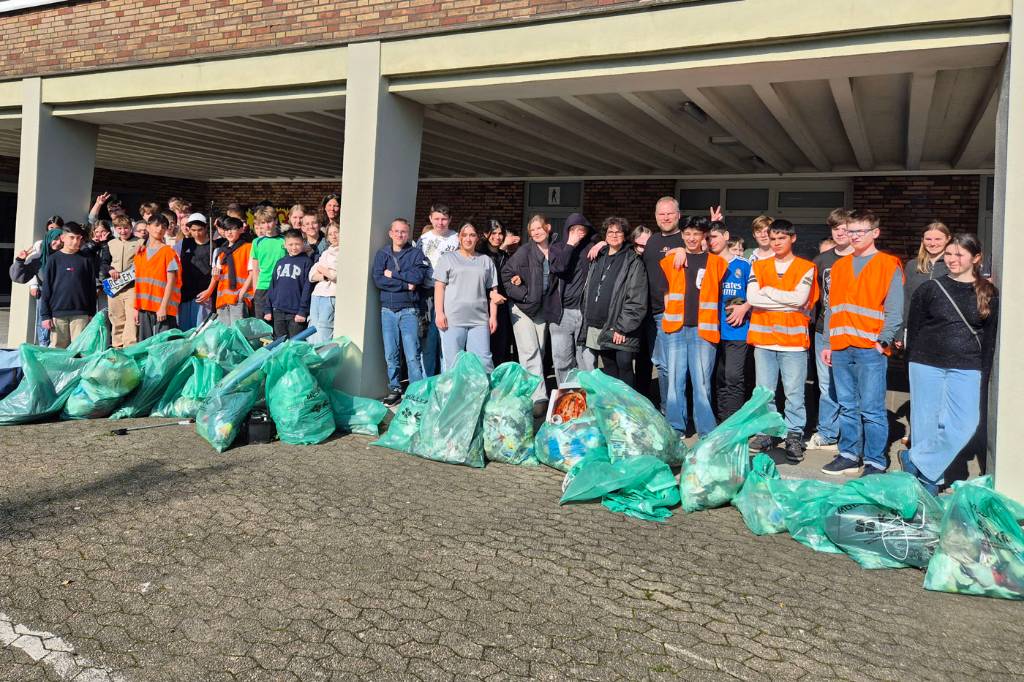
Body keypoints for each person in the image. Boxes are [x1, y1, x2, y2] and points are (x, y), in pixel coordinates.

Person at [902, 233, 998, 494]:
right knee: (925, 422)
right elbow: (915, 327)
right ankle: (929, 480)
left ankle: (914, 459)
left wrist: (985, 373)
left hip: (968, 366)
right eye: (949, 253)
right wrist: (910, 362)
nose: (952, 259)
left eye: (959, 254)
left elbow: (989, 339)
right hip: (926, 363)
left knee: (965, 424)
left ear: (976, 258)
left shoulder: (988, 292)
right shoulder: (929, 289)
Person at [821, 209, 904, 476]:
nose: (853, 236)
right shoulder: (840, 266)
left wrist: (883, 341)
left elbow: (894, 310)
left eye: (859, 231)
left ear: (875, 233)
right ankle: (848, 454)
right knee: (847, 405)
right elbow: (832, 308)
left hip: (871, 348)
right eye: (850, 231)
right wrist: (828, 343)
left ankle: (875, 460)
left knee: (872, 409)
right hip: (841, 346)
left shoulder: (887, 264)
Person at [746, 220, 818, 462]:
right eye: (773, 238)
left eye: (782, 238)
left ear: (792, 239)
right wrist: (780, 299)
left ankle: (794, 435)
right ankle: (767, 432)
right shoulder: (759, 266)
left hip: (793, 342)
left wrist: (767, 292)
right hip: (764, 341)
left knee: (794, 393)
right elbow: (752, 297)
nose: (777, 243)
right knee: (764, 393)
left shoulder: (806, 267)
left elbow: (800, 299)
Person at [657, 209, 727, 437]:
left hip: (703, 330)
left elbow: (727, 249)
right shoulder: (671, 260)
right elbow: (666, 291)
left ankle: (706, 430)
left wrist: (719, 223)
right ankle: (676, 427)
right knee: (675, 383)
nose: (691, 238)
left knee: (702, 384)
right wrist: (677, 250)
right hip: (676, 328)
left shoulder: (717, 263)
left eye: (697, 233)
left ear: (704, 236)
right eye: (687, 233)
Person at [578, 217, 648, 387]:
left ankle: (627, 407)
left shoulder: (632, 261)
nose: (614, 235)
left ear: (625, 236)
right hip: (599, 323)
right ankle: (614, 406)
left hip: (621, 327)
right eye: (610, 232)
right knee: (608, 366)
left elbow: (637, 298)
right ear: (605, 235)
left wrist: (622, 327)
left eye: (619, 232)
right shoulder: (599, 257)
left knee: (624, 364)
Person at [502, 214, 562, 412]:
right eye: (532, 230)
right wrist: (524, 295)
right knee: (530, 352)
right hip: (522, 308)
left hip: (543, 309)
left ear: (548, 227)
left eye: (539, 228)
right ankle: (538, 398)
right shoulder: (525, 251)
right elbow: (507, 274)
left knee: (540, 351)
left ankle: (528, 388)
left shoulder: (556, 249)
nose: (536, 232)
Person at [807, 208, 853, 450]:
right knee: (826, 386)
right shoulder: (821, 261)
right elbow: (813, 299)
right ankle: (827, 432)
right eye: (836, 228)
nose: (840, 233)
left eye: (845, 228)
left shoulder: (861, 258)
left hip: (854, 332)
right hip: (824, 331)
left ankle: (850, 435)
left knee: (850, 387)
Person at [373, 218, 431, 406]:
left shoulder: (416, 254)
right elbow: (378, 280)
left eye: (404, 232)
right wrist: (405, 285)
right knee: (391, 353)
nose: (400, 235)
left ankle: (417, 391)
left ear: (409, 234)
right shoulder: (383, 254)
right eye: (396, 231)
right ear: (390, 233)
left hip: (409, 310)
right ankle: (395, 389)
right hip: (387, 311)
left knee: (412, 353)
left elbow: (418, 277)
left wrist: (394, 274)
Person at [434, 220, 498, 371]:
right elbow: (439, 287)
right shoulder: (448, 259)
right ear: (459, 238)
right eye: (464, 235)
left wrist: (493, 316)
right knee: (454, 363)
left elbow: (493, 291)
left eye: (472, 235)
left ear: (477, 238)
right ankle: (454, 394)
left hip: (479, 320)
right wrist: (439, 313)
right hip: (453, 319)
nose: (468, 239)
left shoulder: (486, 261)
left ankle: (483, 393)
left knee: (483, 362)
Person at [708, 221, 752, 422]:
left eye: (715, 236)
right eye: (708, 238)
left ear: (726, 236)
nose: (711, 241)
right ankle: (720, 419)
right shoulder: (707, 262)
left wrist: (744, 306)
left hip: (737, 330)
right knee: (717, 377)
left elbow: (755, 293)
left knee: (733, 377)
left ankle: (733, 422)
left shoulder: (743, 265)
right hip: (711, 331)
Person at [549, 212, 595, 377]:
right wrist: (570, 244)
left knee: (586, 361)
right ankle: (567, 397)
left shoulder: (591, 248)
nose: (578, 233)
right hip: (562, 313)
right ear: (567, 231)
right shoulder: (557, 248)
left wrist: (600, 242)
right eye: (573, 229)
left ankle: (587, 397)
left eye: (581, 229)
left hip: (584, 312)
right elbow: (559, 267)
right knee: (562, 361)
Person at [39, 222, 97, 349]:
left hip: (81, 313)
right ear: (63, 238)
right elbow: (46, 288)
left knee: (80, 350)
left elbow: (91, 288)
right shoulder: (53, 259)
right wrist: (45, 315)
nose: (75, 241)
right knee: (58, 350)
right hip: (57, 313)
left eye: (79, 238)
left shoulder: (86, 259)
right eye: (72, 237)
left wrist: (92, 312)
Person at [896, 222, 952, 353]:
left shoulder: (953, 265)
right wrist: (899, 331)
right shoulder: (912, 266)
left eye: (938, 239)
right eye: (928, 239)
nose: (933, 243)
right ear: (922, 240)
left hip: (945, 332)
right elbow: (905, 300)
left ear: (948, 239)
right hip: (915, 331)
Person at [417, 203, 459, 376]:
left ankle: (446, 382)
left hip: (451, 295)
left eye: (444, 219)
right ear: (430, 219)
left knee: (448, 342)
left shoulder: (457, 238)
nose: (440, 223)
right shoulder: (424, 240)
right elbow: (417, 265)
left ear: (450, 219)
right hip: (428, 295)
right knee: (428, 341)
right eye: (436, 219)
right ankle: (427, 382)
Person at [133, 214, 182, 340]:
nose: (160, 229)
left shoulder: (168, 252)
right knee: (144, 345)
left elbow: (171, 282)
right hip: (144, 307)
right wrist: (136, 308)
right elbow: (138, 283)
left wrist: (163, 307)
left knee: (163, 345)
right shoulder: (140, 252)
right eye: (156, 225)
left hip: (162, 308)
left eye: (164, 227)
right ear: (148, 227)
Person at [479, 218, 518, 367]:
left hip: (502, 305)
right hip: (482, 304)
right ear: (485, 234)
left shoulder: (504, 256)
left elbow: (508, 276)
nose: (497, 237)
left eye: (500, 233)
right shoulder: (480, 255)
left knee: (501, 346)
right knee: (485, 346)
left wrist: (515, 278)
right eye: (493, 233)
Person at [202, 216, 253, 326]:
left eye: (233, 229)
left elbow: (252, 273)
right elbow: (218, 277)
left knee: (238, 331)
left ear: (240, 229)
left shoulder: (248, 248)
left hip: (239, 298)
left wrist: (242, 294)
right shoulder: (221, 252)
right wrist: (215, 277)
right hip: (222, 299)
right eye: (226, 229)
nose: (229, 232)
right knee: (224, 332)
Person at [101, 215, 142, 348]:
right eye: (119, 228)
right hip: (115, 287)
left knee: (131, 319)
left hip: (132, 287)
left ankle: (129, 348)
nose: (123, 231)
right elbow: (104, 262)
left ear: (131, 228)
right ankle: (117, 347)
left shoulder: (140, 242)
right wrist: (110, 270)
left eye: (126, 228)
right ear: (115, 229)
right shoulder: (110, 244)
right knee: (116, 319)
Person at [263, 229, 314, 339]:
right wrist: (268, 308)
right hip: (278, 310)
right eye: (290, 244)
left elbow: (307, 288)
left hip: (295, 312)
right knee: (279, 342)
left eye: (297, 244)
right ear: (285, 245)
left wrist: (302, 311)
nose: (294, 247)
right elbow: (272, 286)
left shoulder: (306, 262)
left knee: (294, 344)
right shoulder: (280, 262)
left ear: (303, 243)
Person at [179, 214, 216, 331]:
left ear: (206, 228)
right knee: (185, 329)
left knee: (201, 329)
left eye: (200, 230)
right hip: (185, 294)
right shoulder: (184, 243)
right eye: (193, 230)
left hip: (204, 294)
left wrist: (209, 291)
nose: (197, 233)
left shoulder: (215, 245)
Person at [249, 206, 286, 321]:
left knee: (278, 323)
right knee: (262, 324)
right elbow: (255, 269)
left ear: (275, 221)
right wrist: (255, 290)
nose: (267, 226)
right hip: (262, 287)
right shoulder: (257, 242)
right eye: (263, 223)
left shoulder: (284, 240)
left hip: (281, 287)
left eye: (269, 221)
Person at [308, 222, 339, 344]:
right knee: (312, 328)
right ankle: (311, 360)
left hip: (330, 296)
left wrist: (322, 269)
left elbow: (335, 276)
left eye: (336, 232)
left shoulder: (344, 252)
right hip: (317, 294)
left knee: (324, 330)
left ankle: (322, 361)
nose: (333, 236)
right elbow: (311, 275)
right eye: (330, 234)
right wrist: (325, 275)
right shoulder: (326, 252)